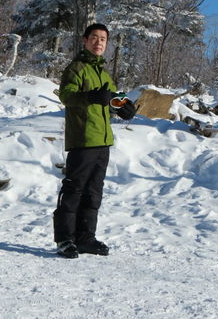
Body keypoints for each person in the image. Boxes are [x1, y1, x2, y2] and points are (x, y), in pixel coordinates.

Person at [53, 23, 136, 258]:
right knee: (74, 190)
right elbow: (67, 95)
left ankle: (85, 237)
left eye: (103, 39)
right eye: (94, 38)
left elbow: (113, 98)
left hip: (102, 139)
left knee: (93, 192)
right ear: (85, 40)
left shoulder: (103, 73)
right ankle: (65, 240)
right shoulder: (76, 68)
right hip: (83, 138)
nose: (99, 42)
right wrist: (90, 96)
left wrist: (125, 106)